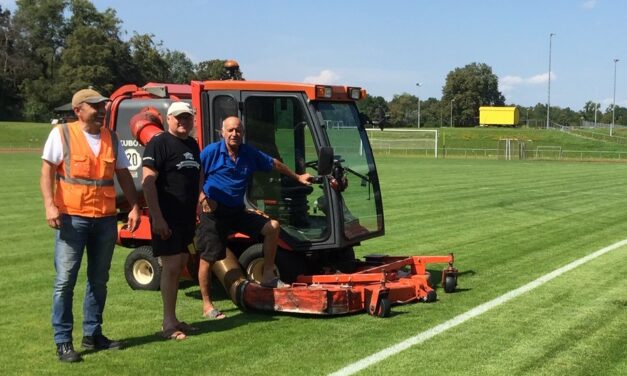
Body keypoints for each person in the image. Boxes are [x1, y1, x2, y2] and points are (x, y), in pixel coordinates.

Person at [40, 88, 141, 363]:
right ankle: (63, 341)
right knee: (65, 281)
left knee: (99, 280)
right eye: (94, 106)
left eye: (102, 106)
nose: (101, 110)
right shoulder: (61, 134)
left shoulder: (112, 138)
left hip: (105, 219)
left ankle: (93, 334)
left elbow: (124, 175)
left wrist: (134, 206)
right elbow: (47, 170)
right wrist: (50, 205)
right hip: (72, 218)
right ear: (78, 110)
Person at [197, 116, 312, 308]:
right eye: (231, 130)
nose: (235, 134)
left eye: (238, 130)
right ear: (222, 132)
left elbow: (274, 163)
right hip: (214, 211)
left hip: (236, 210)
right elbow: (196, 175)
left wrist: (297, 176)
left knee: (272, 227)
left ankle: (268, 275)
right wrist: (202, 198)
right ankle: (207, 304)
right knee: (208, 258)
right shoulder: (211, 152)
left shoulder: (248, 153)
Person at [142, 101, 201, 341]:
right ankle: (168, 323)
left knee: (182, 265)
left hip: (187, 218)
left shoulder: (192, 144)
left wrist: (200, 199)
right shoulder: (158, 143)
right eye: (178, 118)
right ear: (168, 119)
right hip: (166, 218)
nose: (183, 122)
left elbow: (199, 174)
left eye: (187, 118)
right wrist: (157, 218)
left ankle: (175, 319)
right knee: (172, 267)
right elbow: (147, 181)